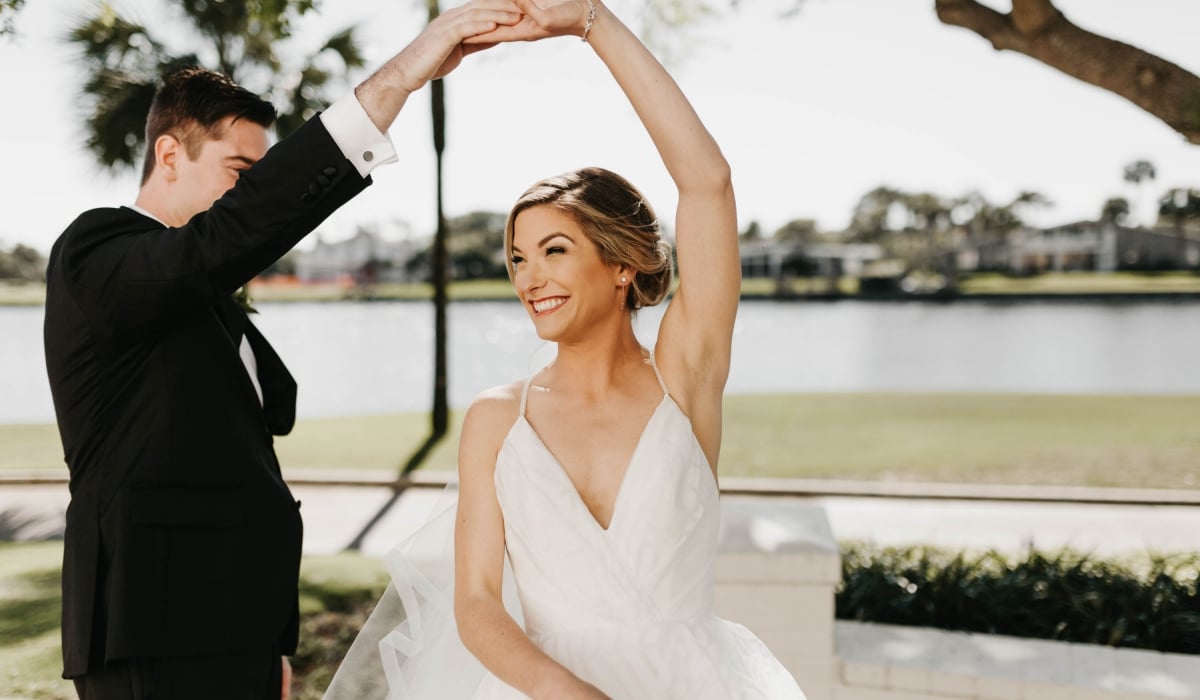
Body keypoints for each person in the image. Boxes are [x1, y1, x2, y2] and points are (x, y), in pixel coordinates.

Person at [327, 0, 807, 697]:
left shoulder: (685, 378)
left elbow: (708, 181)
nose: (531, 278)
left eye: (555, 250)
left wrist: (592, 22)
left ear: (622, 266)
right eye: (518, 259)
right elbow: (477, 606)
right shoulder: (497, 420)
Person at [42, 3, 523, 698]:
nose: (253, 199)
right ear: (169, 153)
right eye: (241, 172)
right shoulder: (97, 250)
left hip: (232, 629)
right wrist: (404, 76)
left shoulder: (199, 289)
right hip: (151, 627)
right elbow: (229, 238)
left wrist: (267, 639)